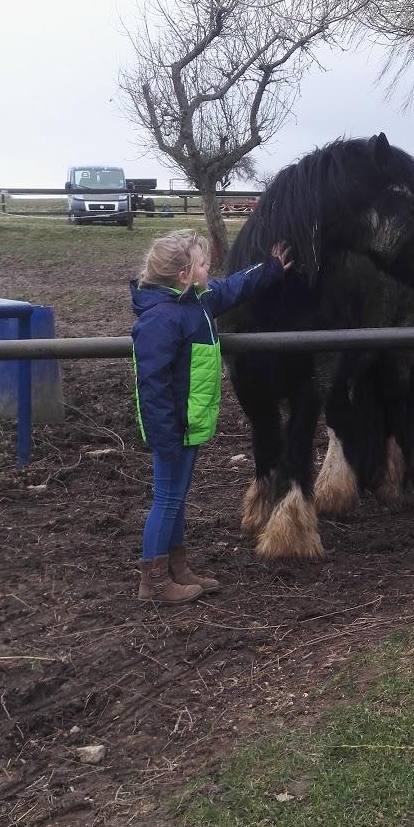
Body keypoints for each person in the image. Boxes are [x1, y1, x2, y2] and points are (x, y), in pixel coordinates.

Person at [130, 229, 292, 603]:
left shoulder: (197, 302)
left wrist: (271, 268)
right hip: (173, 427)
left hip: (190, 423)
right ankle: (153, 584)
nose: (210, 268)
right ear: (184, 275)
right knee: (167, 499)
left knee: (176, 497)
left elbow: (234, 287)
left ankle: (177, 569)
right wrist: (163, 435)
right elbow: (151, 385)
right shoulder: (161, 319)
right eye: (203, 263)